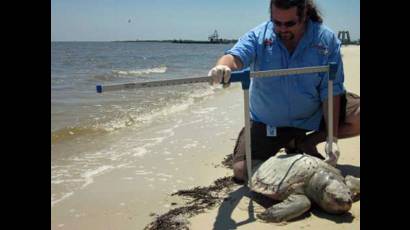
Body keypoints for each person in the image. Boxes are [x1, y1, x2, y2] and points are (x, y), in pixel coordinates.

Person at [208, 0, 360, 183]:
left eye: (289, 24)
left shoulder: (326, 40)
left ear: (304, 16)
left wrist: (332, 138)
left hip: (312, 115)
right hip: (268, 122)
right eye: (276, 22)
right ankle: (292, 147)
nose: (282, 29)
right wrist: (222, 67)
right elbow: (236, 56)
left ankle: (308, 142)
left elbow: (332, 91)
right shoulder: (258, 35)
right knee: (242, 170)